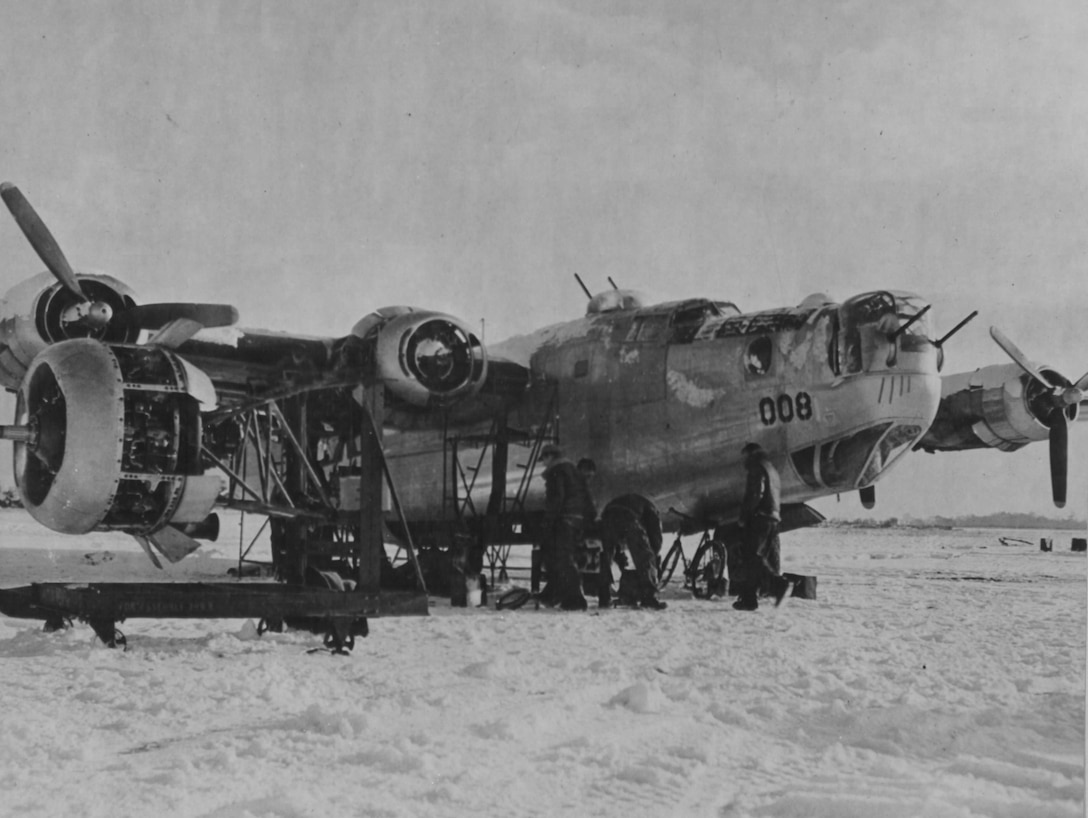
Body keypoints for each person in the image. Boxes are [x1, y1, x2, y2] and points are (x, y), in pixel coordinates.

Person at [733, 442, 791, 611]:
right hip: (772, 518)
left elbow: (755, 493)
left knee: (752, 556)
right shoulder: (771, 469)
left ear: (751, 454)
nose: (743, 461)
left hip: (759, 518)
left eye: (745, 456)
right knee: (754, 557)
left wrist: (744, 516)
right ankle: (749, 599)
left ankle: (778, 584)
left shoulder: (756, 467)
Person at [538, 443, 591, 610]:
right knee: (558, 556)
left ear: (549, 456)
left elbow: (556, 498)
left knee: (561, 558)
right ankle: (553, 593)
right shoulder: (573, 470)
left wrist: (548, 520)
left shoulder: (556, 471)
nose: (544, 463)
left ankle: (574, 598)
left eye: (544, 459)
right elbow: (587, 496)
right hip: (576, 519)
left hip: (564, 518)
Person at [599, 493, 666, 610]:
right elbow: (656, 539)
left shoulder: (634, 501)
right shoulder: (652, 510)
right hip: (627, 517)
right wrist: (653, 558)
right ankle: (649, 598)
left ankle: (604, 597)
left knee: (606, 557)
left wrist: (619, 557)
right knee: (646, 556)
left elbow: (616, 543)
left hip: (607, 517)